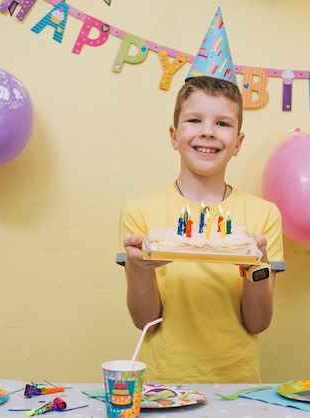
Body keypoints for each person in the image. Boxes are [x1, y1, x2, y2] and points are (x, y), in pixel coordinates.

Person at [117, 72, 285, 383]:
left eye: (222, 123)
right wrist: (139, 267)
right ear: (173, 135)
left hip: (237, 387)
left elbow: (258, 322)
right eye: (194, 120)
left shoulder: (264, 216)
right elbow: (146, 322)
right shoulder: (140, 212)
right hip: (165, 384)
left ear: (238, 143)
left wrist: (256, 265)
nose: (208, 132)